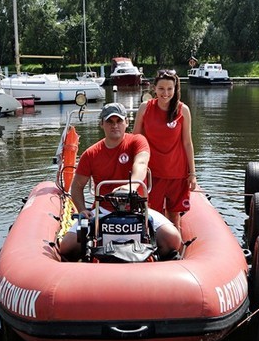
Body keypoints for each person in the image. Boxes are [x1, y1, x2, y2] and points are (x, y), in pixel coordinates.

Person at [59, 102, 182, 261]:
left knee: (172, 239)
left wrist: (131, 186)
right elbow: (77, 186)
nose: (114, 125)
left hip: (137, 210)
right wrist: (82, 209)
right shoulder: (91, 154)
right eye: (110, 121)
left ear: (126, 122)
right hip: (103, 210)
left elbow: (141, 164)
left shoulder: (137, 141)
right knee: (68, 246)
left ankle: (161, 269)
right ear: (102, 123)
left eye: (119, 121)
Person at [133, 69, 197, 230]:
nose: (165, 93)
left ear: (175, 89)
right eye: (161, 88)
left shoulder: (183, 110)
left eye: (169, 89)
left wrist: (193, 173)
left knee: (174, 215)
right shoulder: (145, 108)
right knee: (152, 213)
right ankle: (153, 249)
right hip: (152, 173)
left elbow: (187, 143)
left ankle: (174, 249)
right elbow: (135, 140)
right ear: (154, 88)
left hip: (177, 172)